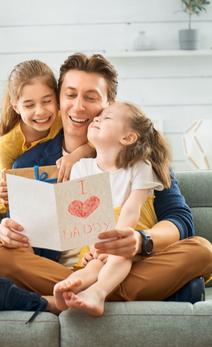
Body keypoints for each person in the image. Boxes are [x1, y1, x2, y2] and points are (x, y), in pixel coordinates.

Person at [0, 53, 212, 323]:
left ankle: (50, 302)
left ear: (109, 105)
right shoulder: (30, 162)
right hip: (63, 268)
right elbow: (22, 229)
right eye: (70, 95)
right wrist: (10, 231)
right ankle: (156, 293)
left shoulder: (139, 156)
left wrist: (140, 240)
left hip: (126, 263)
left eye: (91, 98)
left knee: (202, 251)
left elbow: (180, 220)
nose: (78, 107)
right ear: (59, 99)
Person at [53, 102, 171, 317]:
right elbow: (86, 218)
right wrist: (95, 248)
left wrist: (113, 246)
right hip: (96, 243)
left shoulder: (140, 167)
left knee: (120, 256)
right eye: (98, 117)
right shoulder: (81, 168)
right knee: (93, 267)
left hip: (130, 242)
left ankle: (97, 292)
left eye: (106, 118)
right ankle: (70, 286)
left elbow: (131, 211)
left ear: (127, 138)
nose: (96, 119)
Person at [0, 59, 94, 214]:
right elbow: (6, 182)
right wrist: (4, 194)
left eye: (47, 101)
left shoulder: (63, 118)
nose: (40, 112)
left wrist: (77, 155)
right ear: (16, 107)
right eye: (29, 105)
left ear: (57, 98)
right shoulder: (7, 143)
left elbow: (104, 136)